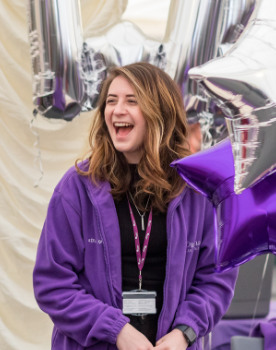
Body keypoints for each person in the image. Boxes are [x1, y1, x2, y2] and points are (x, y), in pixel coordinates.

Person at [32, 62, 240, 350]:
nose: (117, 110)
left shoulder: (195, 189)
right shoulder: (77, 187)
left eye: (132, 101)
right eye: (111, 101)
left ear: (160, 112)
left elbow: (215, 279)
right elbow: (53, 284)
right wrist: (116, 331)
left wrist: (185, 332)